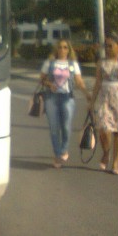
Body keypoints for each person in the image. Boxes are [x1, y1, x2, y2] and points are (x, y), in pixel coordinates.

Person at [39, 40, 90, 168]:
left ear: (69, 49)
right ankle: (57, 155)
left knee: (66, 127)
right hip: (51, 98)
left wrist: (87, 93)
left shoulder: (72, 64)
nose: (62, 49)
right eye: (60, 47)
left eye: (65, 47)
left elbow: (79, 81)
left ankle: (64, 149)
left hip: (68, 98)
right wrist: (50, 84)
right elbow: (42, 79)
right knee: (54, 128)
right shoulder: (49, 63)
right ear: (56, 49)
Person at [90, 32, 118, 175]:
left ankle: (116, 163)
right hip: (104, 99)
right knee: (103, 129)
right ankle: (106, 152)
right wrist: (91, 101)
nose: (108, 49)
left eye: (111, 46)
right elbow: (98, 82)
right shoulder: (102, 62)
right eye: (106, 46)